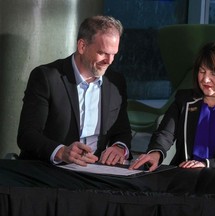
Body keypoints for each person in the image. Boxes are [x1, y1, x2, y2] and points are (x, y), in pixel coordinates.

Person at [17, 15, 132, 166]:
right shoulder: (46, 77)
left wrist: (119, 148)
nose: (109, 61)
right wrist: (61, 152)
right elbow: (27, 136)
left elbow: (122, 131)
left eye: (114, 54)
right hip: (50, 169)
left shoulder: (115, 82)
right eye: (103, 53)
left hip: (96, 172)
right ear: (82, 46)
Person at [130, 41, 215, 172]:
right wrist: (155, 154)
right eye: (202, 71)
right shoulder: (184, 100)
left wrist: (207, 164)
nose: (205, 79)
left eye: (214, 73)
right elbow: (165, 134)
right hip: (184, 181)